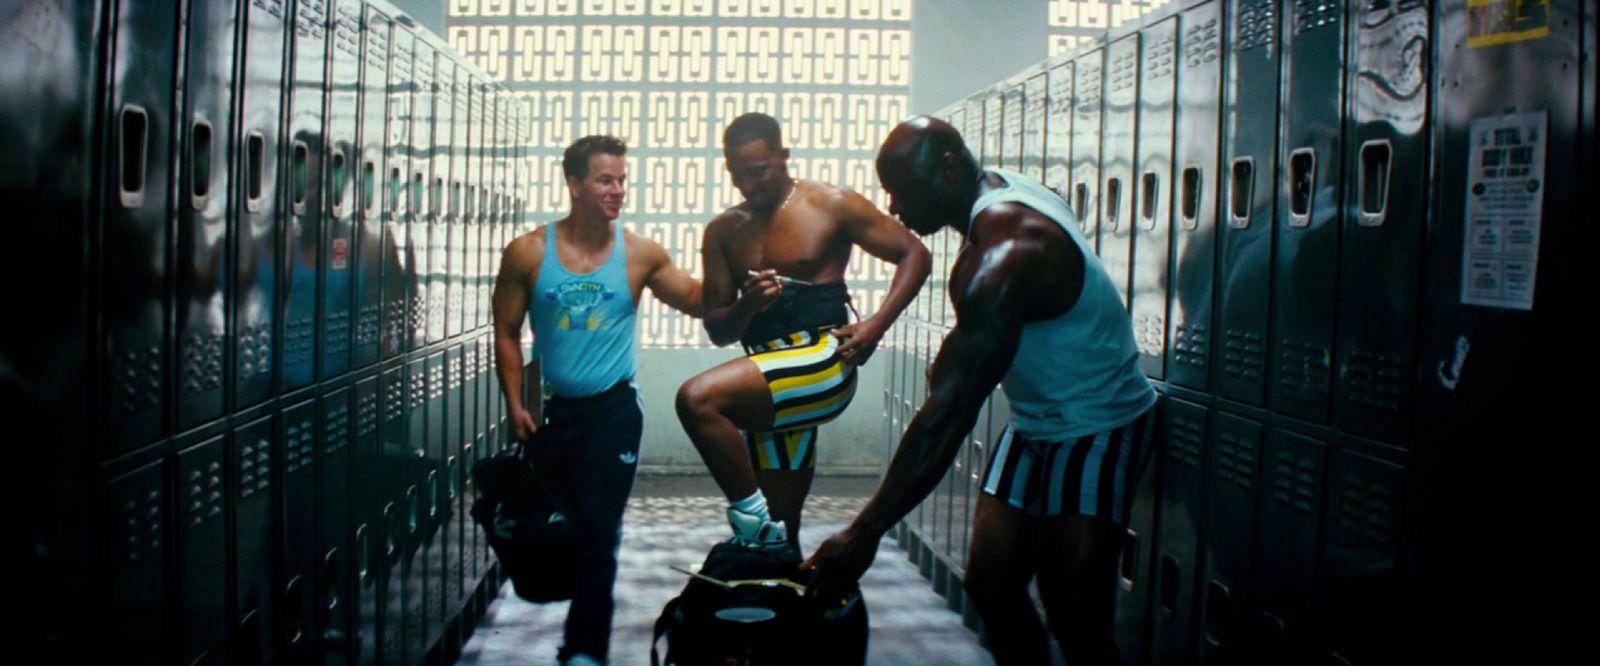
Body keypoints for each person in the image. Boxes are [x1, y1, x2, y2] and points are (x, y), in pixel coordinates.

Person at [802, 116, 1157, 665]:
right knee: (990, 582)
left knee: (1074, 615)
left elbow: (951, 412)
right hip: (1036, 418)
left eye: (900, 190)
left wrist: (864, 531)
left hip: (1096, 419)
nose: (893, 207)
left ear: (947, 169)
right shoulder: (999, 191)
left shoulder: (1002, 250)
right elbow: (990, 335)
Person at [675, 112, 931, 552]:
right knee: (783, 522)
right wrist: (747, 305)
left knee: (698, 399)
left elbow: (914, 254)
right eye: (738, 175)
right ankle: (784, 581)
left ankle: (750, 522)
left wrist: (875, 325)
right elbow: (717, 328)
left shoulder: (832, 203)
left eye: (758, 172)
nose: (748, 186)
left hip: (822, 360)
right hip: (768, 372)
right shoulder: (723, 231)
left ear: (783, 156)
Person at [491, 135, 702, 666]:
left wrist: (737, 280)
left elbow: (698, 300)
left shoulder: (640, 254)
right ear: (575, 185)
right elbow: (506, 330)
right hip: (557, 413)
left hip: (614, 411)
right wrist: (516, 403)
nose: (618, 190)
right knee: (559, 530)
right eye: (606, 180)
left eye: (622, 180)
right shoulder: (529, 252)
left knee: (600, 531)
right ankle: (575, 622)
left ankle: (584, 649)